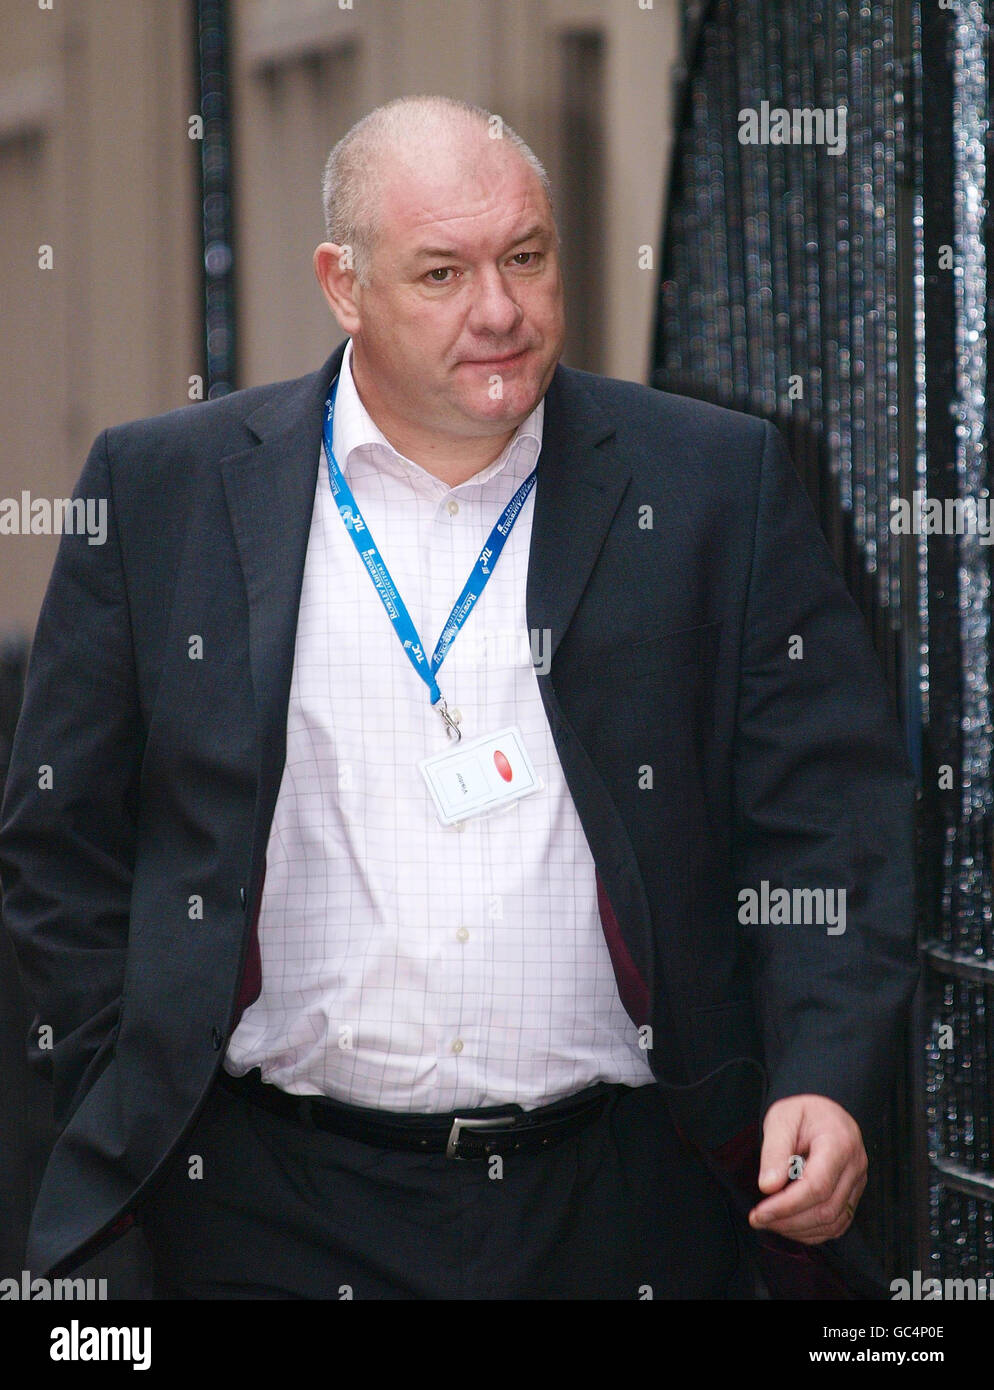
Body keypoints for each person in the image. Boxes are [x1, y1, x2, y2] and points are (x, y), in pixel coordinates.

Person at [0, 95, 917, 1300]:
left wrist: (824, 1070)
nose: (500, 310)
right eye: (442, 273)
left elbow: (829, 819)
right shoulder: (164, 489)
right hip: (268, 1207)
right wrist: (125, 1081)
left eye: (526, 258)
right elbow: (61, 844)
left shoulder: (712, 483)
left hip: (627, 1201)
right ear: (343, 283)